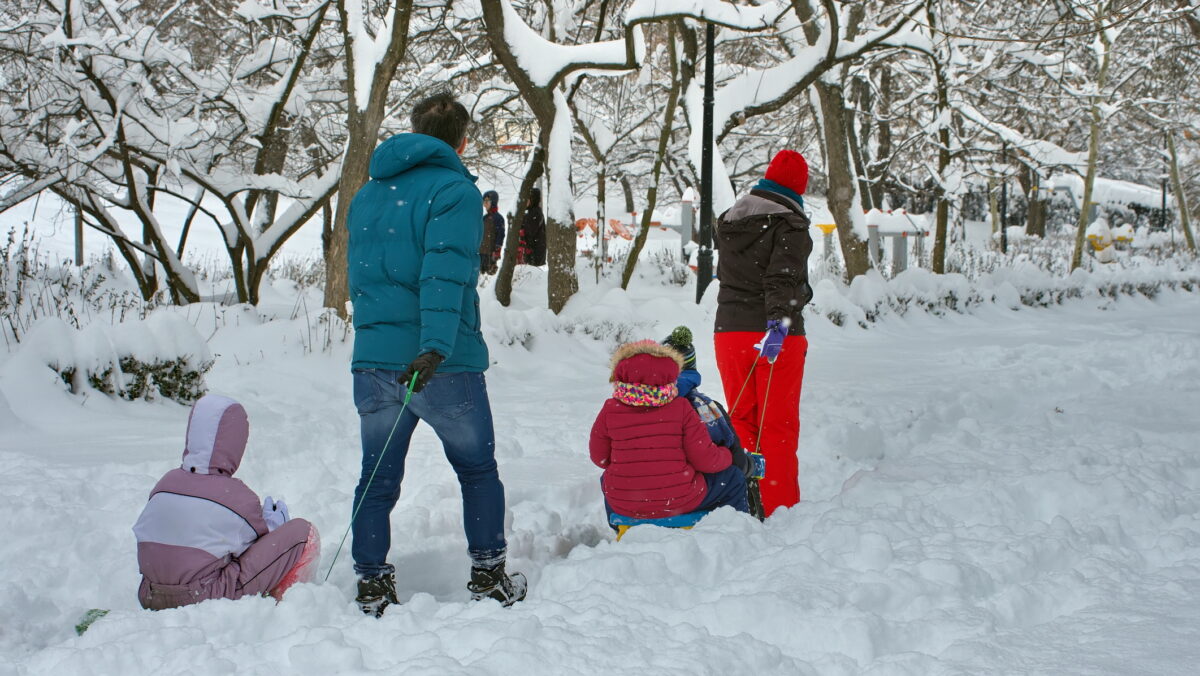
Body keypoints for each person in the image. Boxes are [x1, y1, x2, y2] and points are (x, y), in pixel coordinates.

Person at [345, 91, 525, 616]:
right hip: (444, 363)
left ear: (415, 129)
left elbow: (364, 278)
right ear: (462, 139)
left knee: (376, 476)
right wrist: (434, 349)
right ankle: (489, 575)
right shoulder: (455, 191)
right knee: (478, 470)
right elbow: (444, 274)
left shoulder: (368, 195)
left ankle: (372, 583)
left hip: (374, 362)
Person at [132, 394, 320, 610]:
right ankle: (288, 607)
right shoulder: (235, 496)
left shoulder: (164, 485)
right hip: (202, 597)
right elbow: (259, 546)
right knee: (302, 532)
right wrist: (275, 524)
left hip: (150, 594)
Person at [713, 149, 814, 518]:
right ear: (798, 189)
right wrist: (779, 325)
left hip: (729, 333)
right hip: (774, 337)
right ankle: (778, 508)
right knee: (778, 426)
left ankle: (742, 502)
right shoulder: (791, 225)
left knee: (740, 420)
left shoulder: (729, 221)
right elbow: (781, 280)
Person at [590, 340, 750, 523]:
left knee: (608, 480)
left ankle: (620, 527)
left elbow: (600, 458)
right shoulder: (681, 407)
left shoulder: (610, 409)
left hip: (626, 503)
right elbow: (705, 460)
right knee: (732, 478)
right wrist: (727, 455)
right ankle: (737, 530)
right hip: (678, 500)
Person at [662, 326, 766, 520]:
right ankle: (738, 528)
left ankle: (618, 524)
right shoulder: (703, 407)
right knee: (735, 475)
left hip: (630, 500)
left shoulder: (630, 401)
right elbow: (712, 457)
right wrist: (746, 465)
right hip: (682, 496)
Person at [479, 190, 504, 274]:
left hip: (490, 253)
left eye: (487, 201)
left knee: (489, 274)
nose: (484, 204)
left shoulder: (498, 218)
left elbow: (500, 235)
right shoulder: (484, 218)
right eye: (484, 201)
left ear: (493, 202)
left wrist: (497, 251)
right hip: (481, 251)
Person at [522, 187, 546, 266]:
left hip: (534, 252)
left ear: (533, 199)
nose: (525, 201)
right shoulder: (530, 212)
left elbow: (529, 232)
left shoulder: (535, 213)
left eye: (528, 198)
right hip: (533, 251)